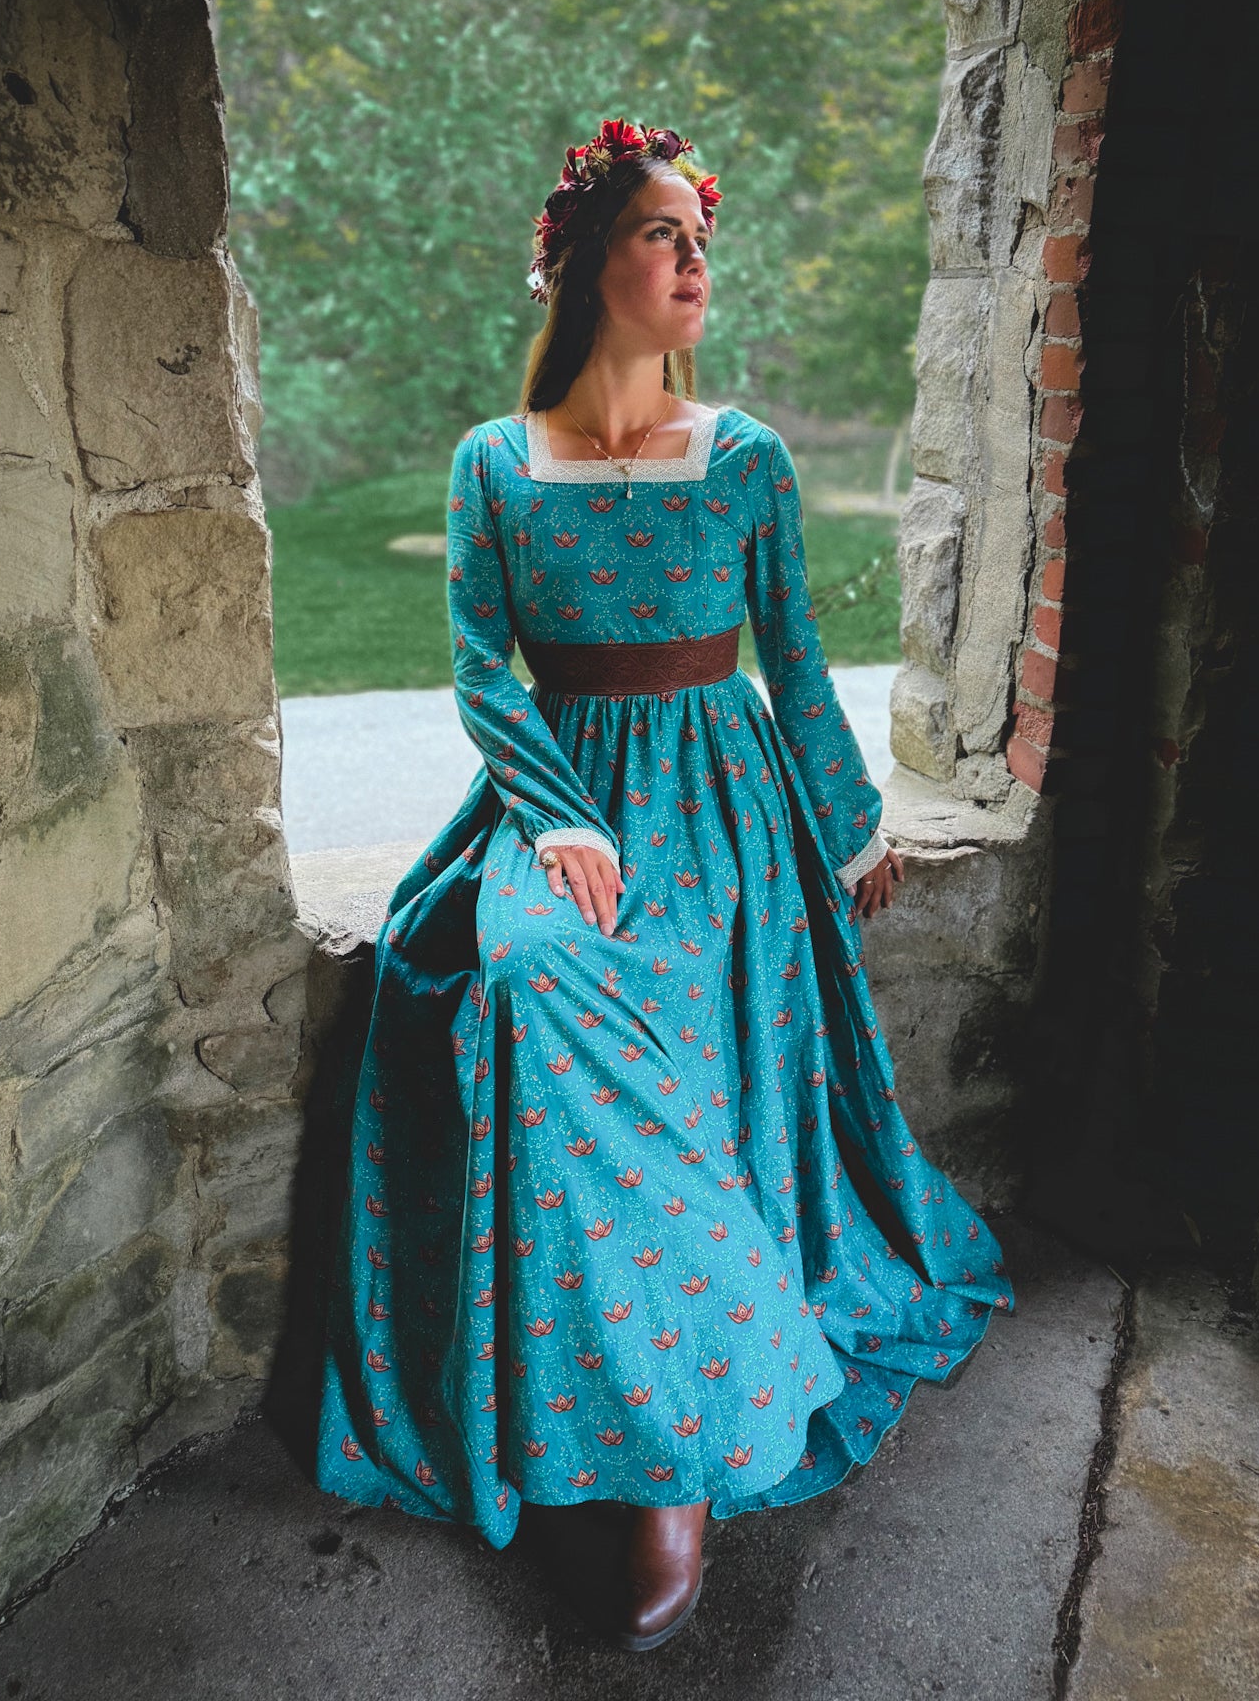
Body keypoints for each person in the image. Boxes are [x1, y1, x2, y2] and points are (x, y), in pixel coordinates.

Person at [315, 119, 1014, 1650]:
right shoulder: (494, 462)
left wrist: (847, 826)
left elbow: (799, 669)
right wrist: (556, 820)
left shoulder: (748, 457)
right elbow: (481, 674)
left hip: (725, 806)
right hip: (557, 802)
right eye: (662, 233)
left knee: (678, 1001)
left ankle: (673, 1465)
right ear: (581, 262)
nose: (695, 260)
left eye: (703, 236)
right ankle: (646, 1403)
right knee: (528, 976)